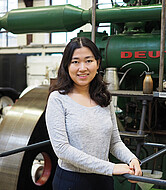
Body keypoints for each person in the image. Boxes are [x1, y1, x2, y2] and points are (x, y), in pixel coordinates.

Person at [45, 37, 142, 190]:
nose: (82, 68)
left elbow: (114, 142)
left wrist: (132, 159)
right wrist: (111, 168)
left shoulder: (103, 97)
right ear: (66, 65)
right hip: (72, 182)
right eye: (75, 62)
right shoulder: (58, 99)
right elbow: (62, 149)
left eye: (88, 61)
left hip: (103, 181)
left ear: (97, 63)